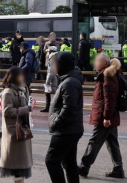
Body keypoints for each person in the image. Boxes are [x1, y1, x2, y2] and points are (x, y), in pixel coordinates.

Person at [0, 66, 33, 183]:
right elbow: (7, 111)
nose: (23, 77)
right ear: (14, 77)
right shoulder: (8, 92)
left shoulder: (22, 89)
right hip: (14, 130)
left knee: (9, 156)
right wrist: (26, 109)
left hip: (21, 127)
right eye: (20, 75)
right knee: (15, 160)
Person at [79, 54, 124, 179]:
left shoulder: (107, 76)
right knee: (112, 142)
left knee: (94, 141)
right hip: (111, 115)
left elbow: (109, 100)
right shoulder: (111, 74)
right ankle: (118, 168)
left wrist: (106, 117)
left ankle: (84, 167)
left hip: (105, 116)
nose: (95, 63)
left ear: (104, 63)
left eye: (97, 61)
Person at [45, 52, 84, 183]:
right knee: (69, 162)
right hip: (71, 128)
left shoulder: (69, 82)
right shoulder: (69, 79)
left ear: (62, 65)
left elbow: (69, 108)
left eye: (54, 64)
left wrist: (56, 122)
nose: (52, 66)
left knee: (51, 160)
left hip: (66, 130)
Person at [41, 48, 58, 113]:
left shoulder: (52, 59)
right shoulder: (56, 57)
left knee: (48, 94)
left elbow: (51, 71)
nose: (46, 53)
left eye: (48, 52)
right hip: (55, 78)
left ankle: (48, 107)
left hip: (52, 80)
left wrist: (47, 82)